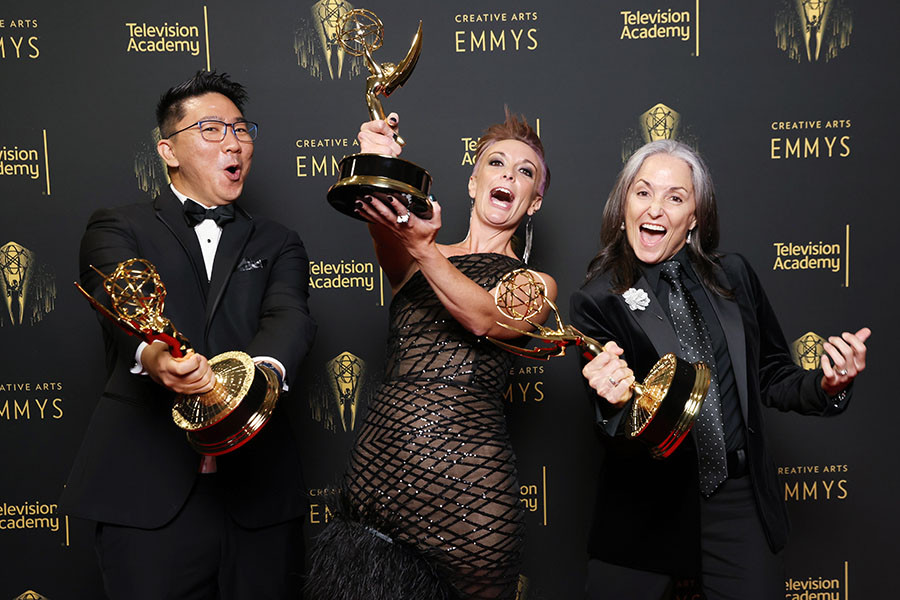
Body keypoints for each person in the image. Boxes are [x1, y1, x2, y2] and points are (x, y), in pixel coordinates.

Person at [569, 140, 870, 600]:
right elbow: (610, 429)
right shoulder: (597, 300)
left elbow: (772, 374)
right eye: (643, 192)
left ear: (694, 218)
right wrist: (613, 405)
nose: (656, 209)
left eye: (675, 197)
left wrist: (829, 384)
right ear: (624, 202)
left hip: (737, 505)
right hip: (646, 509)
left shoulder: (734, 277)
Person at [60, 71, 316, 599]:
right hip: (146, 497)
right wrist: (154, 358)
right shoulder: (117, 227)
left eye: (242, 130)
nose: (234, 143)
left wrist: (249, 386)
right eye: (212, 129)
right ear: (168, 150)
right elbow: (116, 300)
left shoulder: (279, 241)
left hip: (258, 500)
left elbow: (288, 316)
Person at [306, 111, 556, 600]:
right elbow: (382, 220)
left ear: (535, 201)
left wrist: (425, 249)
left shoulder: (536, 285)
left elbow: (485, 318)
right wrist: (377, 158)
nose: (508, 174)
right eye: (496, 163)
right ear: (472, 182)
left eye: (525, 171)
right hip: (380, 481)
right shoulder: (414, 256)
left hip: (471, 500)